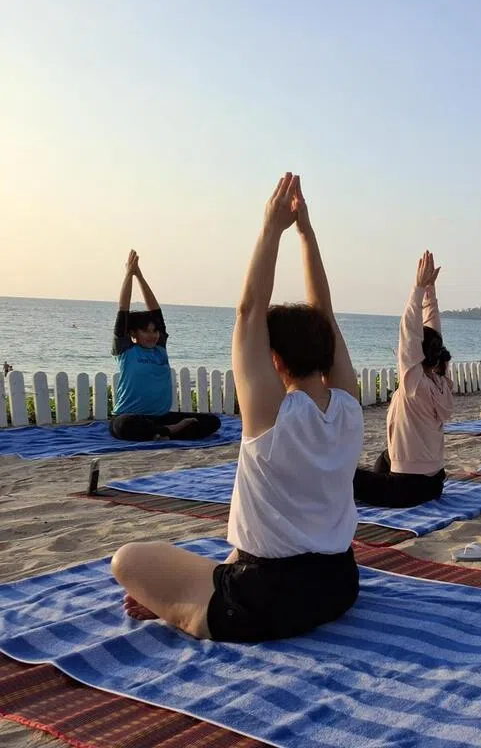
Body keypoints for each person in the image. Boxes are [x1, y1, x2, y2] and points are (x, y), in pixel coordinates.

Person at [110, 173, 365, 641]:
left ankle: (182, 607)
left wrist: (271, 229)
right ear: (327, 352)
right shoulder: (349, 409)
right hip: (339, 583)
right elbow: (325, 313)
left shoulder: (271, 416)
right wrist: (306, 233)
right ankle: (184, 595)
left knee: (127, 560)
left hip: (267, 599)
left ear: (275, 361)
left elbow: (249, 311)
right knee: (221, 560)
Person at [353, 251, 453, 508]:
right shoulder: (442, 379)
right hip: (434, 482)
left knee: (343, 475)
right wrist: (430, 294)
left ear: (415, 355)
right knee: (383, 459)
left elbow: (409, 330)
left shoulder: (414, 383)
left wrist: (417, 289)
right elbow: (433, 334)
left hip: (409, 487)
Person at [109, 251, 222, 441]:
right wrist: (129, 274)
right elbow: (123, 310)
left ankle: (162, 432)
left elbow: (156, 311)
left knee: (212, 422)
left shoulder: (160, 350)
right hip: (130, 416)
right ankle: (169, 431)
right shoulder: (126, 350)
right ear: (133, 334)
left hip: (161, 417)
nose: (153, 335)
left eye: (155, 331)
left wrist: (141, 276)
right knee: (124, 426)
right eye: (146, 331)